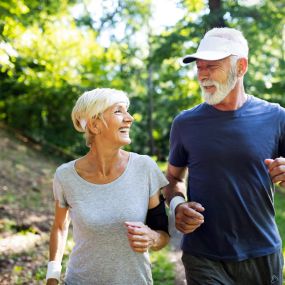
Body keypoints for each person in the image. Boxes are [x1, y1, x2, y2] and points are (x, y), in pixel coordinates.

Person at [164, 27, 285, 285]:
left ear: (241, 67)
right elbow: (172, 179)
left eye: (212, 66)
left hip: (261, 253)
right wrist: (177, 206)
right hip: (203, 256)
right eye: (199, 67)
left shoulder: (276, 117)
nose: (202, 75)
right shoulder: (184, 123)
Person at [46, 88, 170, 285]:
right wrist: (52, 275)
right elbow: (60, 227)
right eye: (118, 111)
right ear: (95, 125)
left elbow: (163, 233)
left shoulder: (144, 168)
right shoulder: (65, 175)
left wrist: (152, 237)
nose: (129, 118)